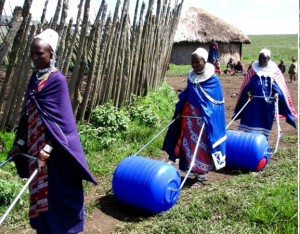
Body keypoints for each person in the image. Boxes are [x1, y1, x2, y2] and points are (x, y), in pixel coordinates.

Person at [8, 28, 97, 233]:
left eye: (40, 53)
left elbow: (62, 125)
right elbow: (29, 113)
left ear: (51, 54)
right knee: (39, 193)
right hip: (34, 146)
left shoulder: (57, 81)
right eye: (32, 52)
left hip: (57, 152)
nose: (35, 57)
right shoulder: (35, 79)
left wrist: (45, 152)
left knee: (58, 193)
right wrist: (19, 143)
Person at [162, 48, 226, 189]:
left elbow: (215, 103)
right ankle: (192, 170)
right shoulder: (191, 76)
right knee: (189, 144)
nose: (194, 65)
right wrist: (180, 112)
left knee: (202, 147)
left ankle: (201, 177)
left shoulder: (212, 79)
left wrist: (206, 116)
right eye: (192, 62)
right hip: (190, 118)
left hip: (204, 120)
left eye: (197, 62)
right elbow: (188, 95)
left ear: (204, 61)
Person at [233, 48, 296, 137]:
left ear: (269, 59)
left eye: (264, 58)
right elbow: (245, 86)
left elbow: (281, 89)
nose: (262, 60)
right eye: (260, 58)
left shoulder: (275, 72)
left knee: (263, 128)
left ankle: (261, 145)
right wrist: (248, 93)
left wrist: (277, 95)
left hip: (267, 106)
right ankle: (246, 144)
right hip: (252, 104)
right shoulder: (253, 71)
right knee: (248, 126)